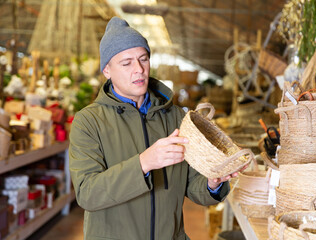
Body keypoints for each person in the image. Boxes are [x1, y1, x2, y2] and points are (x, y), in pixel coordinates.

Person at [69, 16, 245, 240]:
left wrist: (213, 181)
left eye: (143, 59)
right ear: (107, 70)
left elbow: (193, 185)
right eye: (126, 63)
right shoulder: (89, 122)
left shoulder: (174, 118)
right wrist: (144, 163)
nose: (139, 69)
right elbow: (87, 194)